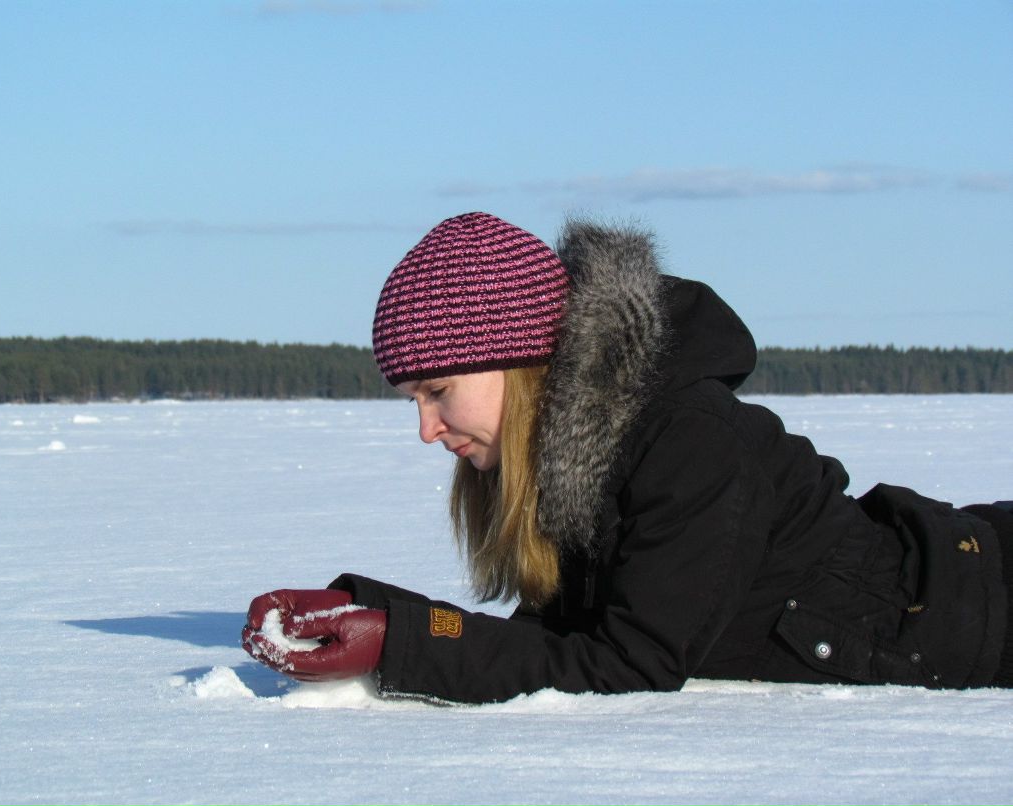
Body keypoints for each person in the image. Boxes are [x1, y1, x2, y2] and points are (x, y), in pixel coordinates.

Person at [242, 212, 1013, 704]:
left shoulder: (688, 441)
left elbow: (632, 661)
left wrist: (399, 644)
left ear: (514, 361)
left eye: (438, 390)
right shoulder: (575, 456)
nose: (426, 429)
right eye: (412, 398)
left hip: (982, 608)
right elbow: (558, 637)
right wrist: (370, 611)